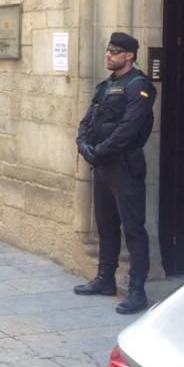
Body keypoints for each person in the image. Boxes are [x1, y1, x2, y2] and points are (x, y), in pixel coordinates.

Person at [74, 32, 157, 315]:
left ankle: (137, 289)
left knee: (132, 227)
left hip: (124, 165)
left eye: (115, 51)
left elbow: (130, 128)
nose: (109, 55)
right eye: (108, 50)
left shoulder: (139, 86)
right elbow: (87, 120)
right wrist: (84, 144)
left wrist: (102, 149)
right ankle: (105, 278)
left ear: (130, 55)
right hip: (103, 165)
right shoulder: (105, 86)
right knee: (105, 224)